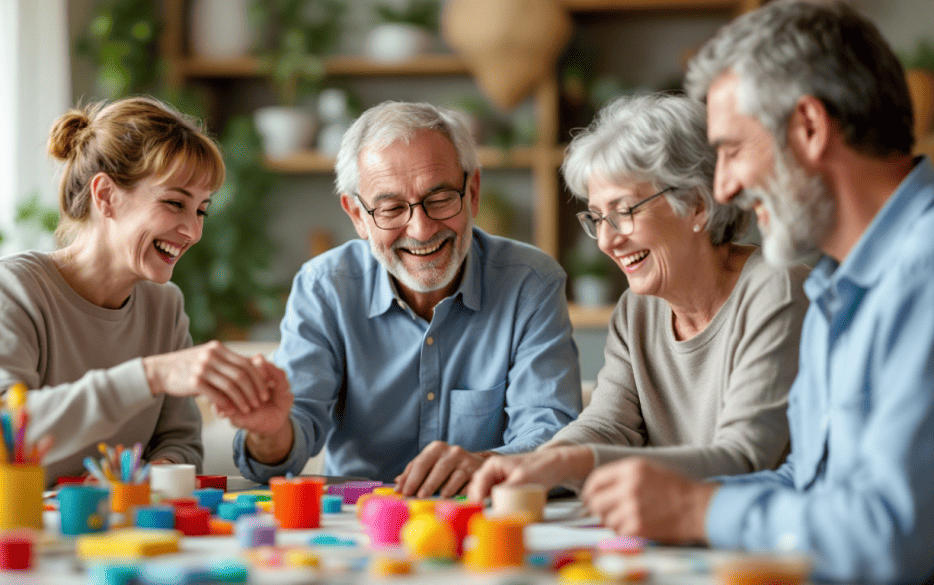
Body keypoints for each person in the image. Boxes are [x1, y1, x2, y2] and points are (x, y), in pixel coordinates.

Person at [577, 2, 934, 584]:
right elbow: (805, 482)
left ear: (810, 129)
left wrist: (699, 509)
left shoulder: (923, 276)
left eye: (733, 149)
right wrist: (668, 498)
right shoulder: (834, 287)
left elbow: (894, 538)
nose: (724, 187)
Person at [228, 101, 582, 497]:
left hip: (481, 518)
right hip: (358, 526)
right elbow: (289, 439)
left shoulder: (530, 282)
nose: (421, 228)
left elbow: (550, 436)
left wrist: (487, 463)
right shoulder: (325, 286)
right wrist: (270, 432)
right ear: (358, 216)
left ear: (473, 192)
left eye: (440, 198)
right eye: (392, 208)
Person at [468, 94, 809, 501]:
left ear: (697, 206)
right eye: (597, 217)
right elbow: (609, 425)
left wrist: (572, 464)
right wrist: (538, 462)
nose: (607, 240)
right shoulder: (638, 310)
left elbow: (744, 458)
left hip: (759, 547)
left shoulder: (777, 288)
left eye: (624, 211)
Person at [0, 96, 290, 486]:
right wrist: (148, 376)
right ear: (105, 196)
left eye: (200, 210)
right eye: (174, 203)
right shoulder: (12, 285)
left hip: (113, 531)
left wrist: (153, 475)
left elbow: (179, 443)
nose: (193, 231)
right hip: (4, 527)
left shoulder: (164, 306)